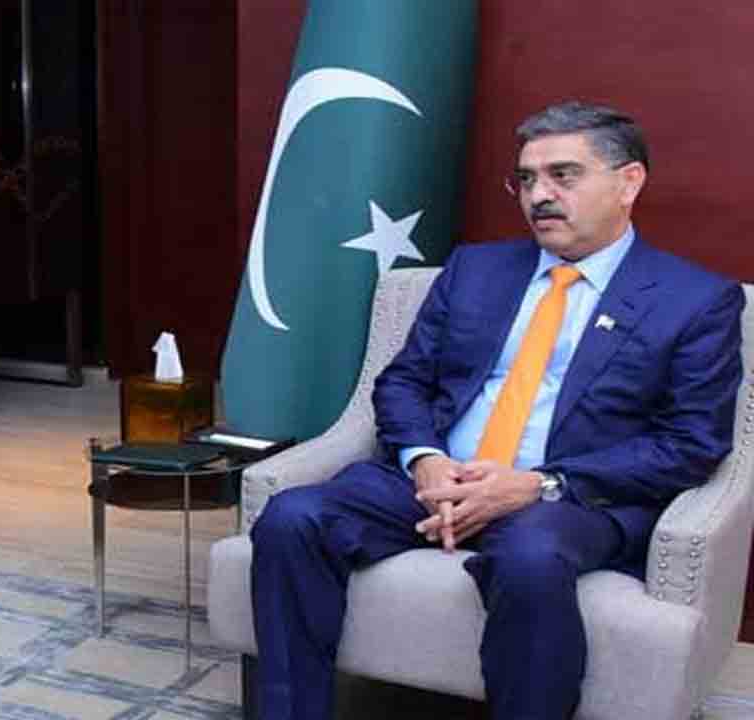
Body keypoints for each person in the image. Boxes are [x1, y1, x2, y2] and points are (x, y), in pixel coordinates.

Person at [250, 101, 744, 719]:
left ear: (628, 182)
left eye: (563, 175)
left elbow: (690, 444)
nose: (540, 195)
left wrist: (539, 484)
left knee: (531, 559)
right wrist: (425, 460)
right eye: (527, 179)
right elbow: (402, 381)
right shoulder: (474, 269)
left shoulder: (696, 300)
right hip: (436, 478)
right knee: (292, 517)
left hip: (568, 498)